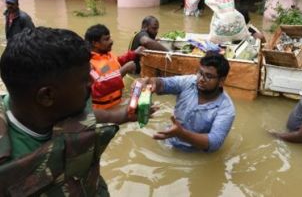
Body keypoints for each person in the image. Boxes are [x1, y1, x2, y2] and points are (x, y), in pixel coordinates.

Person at [0, 27, 145, 195]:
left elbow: (87, 116)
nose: (92, 84)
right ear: (47, 96)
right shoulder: (8, 162)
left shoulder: (67, 104)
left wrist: (122, 115)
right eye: (85, 80)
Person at [143, 53, 235, 152]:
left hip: (195, 155)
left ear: (221, 81)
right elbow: (164, 84)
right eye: (200, 73)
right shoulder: (188, 82)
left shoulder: (226, 109)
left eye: (208, 76)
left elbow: (214, 143)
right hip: (168, 141)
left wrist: (181, 134)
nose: (201, 79)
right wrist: (152, 83)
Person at [85, 24, 143, 110]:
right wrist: (124, 70)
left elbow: (114, 64)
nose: (111, 41)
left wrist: (133, 53)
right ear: (95, 43)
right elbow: (97, 87)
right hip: (102, 112)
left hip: (118, 104)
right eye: (106, 39)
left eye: (110, 38)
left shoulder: (107, 55)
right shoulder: (88, 64)